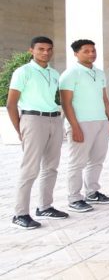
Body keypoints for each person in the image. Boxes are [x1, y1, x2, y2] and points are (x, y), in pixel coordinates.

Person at [8, 36, 66, 229]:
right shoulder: (23, 72)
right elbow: (11, 104)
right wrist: (20, 128)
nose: (46, 52)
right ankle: (20, 213)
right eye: (41, 49)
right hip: (32, 119)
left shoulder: (54, 73)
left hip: (53, 119)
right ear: (31, 51)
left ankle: (45, 206)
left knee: (51, 166)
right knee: (30, 168)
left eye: (49, 49)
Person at [59, 40, 109, 213]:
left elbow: (104, 98)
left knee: (97, 159)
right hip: (81, 123)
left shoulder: (99, 73)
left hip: (101, 122)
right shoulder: (70, 74)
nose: (91, 54)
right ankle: (74, 198)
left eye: (93, 50)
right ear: (76, 53)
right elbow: (65, 102)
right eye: (86, 51)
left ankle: (92, 192)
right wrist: (74, 126)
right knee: (77, 162)